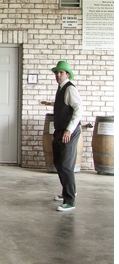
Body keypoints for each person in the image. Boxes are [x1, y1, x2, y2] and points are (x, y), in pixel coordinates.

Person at [40, 60, 82, 212]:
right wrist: (50, 103)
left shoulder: (70, 89)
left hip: (68, 132)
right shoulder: (61, 89)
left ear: (67, 74)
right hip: (59, 130)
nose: (58, 75)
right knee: (58, 163)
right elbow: (64, 104)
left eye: (61, 72)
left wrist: (69, 130)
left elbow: (78, 110)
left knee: (65, 165)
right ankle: (67, 191)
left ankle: (70, 200)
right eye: (56, 72)